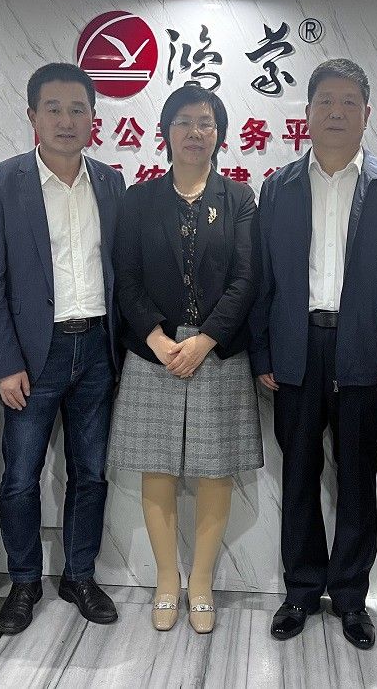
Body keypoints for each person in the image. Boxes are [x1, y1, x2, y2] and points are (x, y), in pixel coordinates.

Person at [251, 58, 377, 650]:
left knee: (356, 478)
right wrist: (263, 353)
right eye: (325, 101)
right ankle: (301, 590)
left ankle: (350, 597)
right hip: (296, 348)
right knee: (298, 474)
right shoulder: (278, 187)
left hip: (364, 351)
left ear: (367, 114)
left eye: (349, 102)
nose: (336, 112)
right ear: (307, 112)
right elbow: (263, 280)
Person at [0, 63, 125, 634]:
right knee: (21, 476)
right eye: (54, 109)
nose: (66, 120)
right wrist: (5, 363)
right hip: (34, 356)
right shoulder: (0, 183)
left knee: (91, 473)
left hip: (98, 348)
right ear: (32, 115)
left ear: (93, 118)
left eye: (78, 109)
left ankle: (80, 576)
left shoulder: (110, 182)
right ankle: (24, 581)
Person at [108, 85, 262, 634]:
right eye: (183, 122)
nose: (195, 132)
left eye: (205, 122)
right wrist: (155, 337)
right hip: (155, 351)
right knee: (158, 468)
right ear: (166, 131)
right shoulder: (139, 199)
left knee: (215, 469)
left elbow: (247, 278)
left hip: (217, 352)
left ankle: (200, 583)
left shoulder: (239, 198)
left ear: (219, 134)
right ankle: (166, 580)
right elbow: (125, 277)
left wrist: (206, 339)